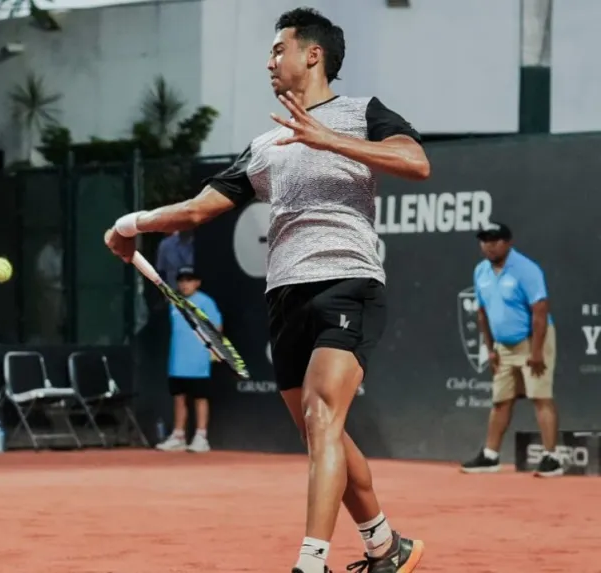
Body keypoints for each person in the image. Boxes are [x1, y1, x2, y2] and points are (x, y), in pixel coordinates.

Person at [104, 8, 430, 573]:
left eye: (279, 49)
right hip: (284, 296)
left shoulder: (363, 113)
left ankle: (311, 563)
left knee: (323, 416)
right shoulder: (265, 144)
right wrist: (131, 224)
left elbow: (416, 162)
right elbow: (199, 210)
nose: (269, 61)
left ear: (313, 54)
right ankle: (384, 546)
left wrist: (330, 139)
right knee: (320, 431)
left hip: (346, 281)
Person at [461, 222, 561, 478]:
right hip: (502, 346)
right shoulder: (480, 271)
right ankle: (490, 456)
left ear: (508, 243)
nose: (489, 246)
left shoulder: (526, 269)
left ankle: (552, 457)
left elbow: (540, 312)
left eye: (495, 240)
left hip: (532, 341)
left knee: (540, 397)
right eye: (484, 240)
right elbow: (482, 313)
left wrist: (536, 352)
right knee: (500, 401)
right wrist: (490, 349)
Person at [155, 267, 221, 453]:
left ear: (197, 283)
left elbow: (216, 327)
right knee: (179, 398)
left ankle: (201, 437)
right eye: (182, 281)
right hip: (177, 362)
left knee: (200, 398)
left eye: (189, 280)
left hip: (199, 361)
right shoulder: (174, 302)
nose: (185, 284)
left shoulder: (206, 302)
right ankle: (178, 436)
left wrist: (212, 351)